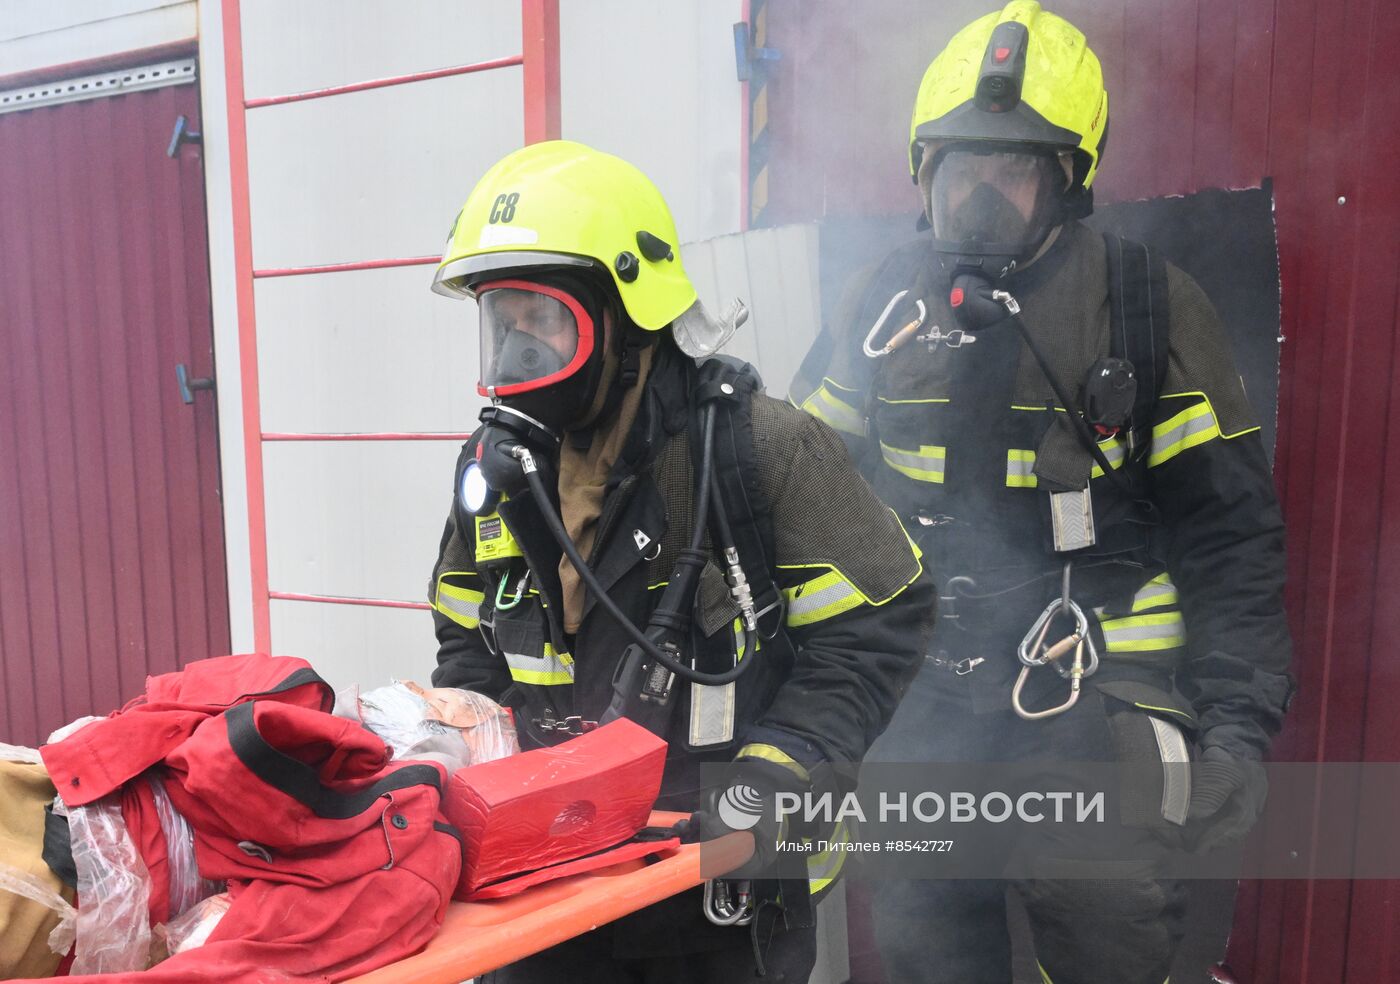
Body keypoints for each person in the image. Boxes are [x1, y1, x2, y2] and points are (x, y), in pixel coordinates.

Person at [790, 3, 1293, 982]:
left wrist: (1234, 720)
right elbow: (806, 501)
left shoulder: (1144, 309)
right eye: (957, 171)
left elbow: (1229, 535)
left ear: (1066, 184)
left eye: (1009, 172)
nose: (977, 200)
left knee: (1100, 917)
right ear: (920, 176)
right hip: (926, 694)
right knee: (925, 943)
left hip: (1092, 690)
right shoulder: (881, 306)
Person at [427, 140, 934, 982]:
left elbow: (884, 623)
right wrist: (462, 763)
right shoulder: (496, 470)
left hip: (717, 893)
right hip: (545, 893)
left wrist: (775, 774)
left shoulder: (758, 452)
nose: (518, 358)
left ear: (627, 321)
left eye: (544, 323)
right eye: (501, 323)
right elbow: (465, 640)